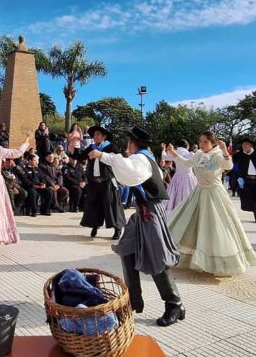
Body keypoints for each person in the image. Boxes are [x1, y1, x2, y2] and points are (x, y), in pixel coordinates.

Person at [89, 126, 183, 327]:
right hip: (142, 211)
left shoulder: (140, 159)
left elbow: (129, 172)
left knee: (157, 256)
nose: (126, 146)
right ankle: (133, 301)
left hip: (150, 212)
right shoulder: (146, 157)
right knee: (126, 249)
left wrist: (103, 155)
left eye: (128, 142)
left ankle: (174, 304)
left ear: (133, 143)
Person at [165, 131, 256, 276]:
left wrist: (225, 151)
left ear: (212, 143)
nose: (202, 144)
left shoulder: (217, 155)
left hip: (214, 194)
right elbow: (187, 163)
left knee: (215, 227)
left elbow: (228, 166)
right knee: (192, 224)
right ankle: (195, 258)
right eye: (200, 141)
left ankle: (218, 262)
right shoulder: (198, 154)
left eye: (205, 142)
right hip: (199, 192)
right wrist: (172, 152)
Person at [73, 125, 125, 239]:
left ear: (104, 136)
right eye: (94, 134)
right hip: (93, 181)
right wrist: (76, 144)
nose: (95, 136)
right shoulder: (91, 147)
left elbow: (120, 158)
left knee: (111, 204)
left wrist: (110, 156)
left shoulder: (111, 147)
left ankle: (117, 228)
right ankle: (95, 225)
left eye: (98, 134)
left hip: (107, 180)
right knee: (94, 204)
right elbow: (79, 156)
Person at [231, 140, 256, 223]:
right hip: (246, 179)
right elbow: (230, 161)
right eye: (243, 145)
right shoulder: (239, 155)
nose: (244, 147)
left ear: (251, 146)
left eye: (246, 145)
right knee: (250, 197)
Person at [161, 140, 197, 215]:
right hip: (189, 176)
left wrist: (163, 149)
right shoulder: (190, 154)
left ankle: (175, 210)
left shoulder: (174, 152)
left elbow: (164, 157)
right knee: (189, 193)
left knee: (174, 193)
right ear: (187, 146)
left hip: (178, 176)